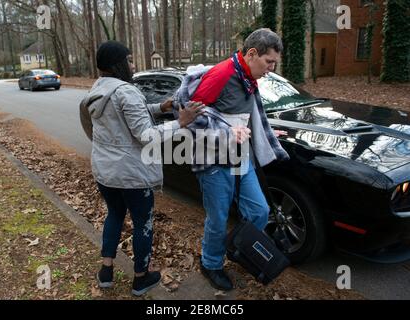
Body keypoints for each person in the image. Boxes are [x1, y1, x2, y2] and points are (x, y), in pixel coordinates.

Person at [79, 40, 204, 296]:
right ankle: (141, 278)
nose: (133, 65)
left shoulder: (98, 89)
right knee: (142, 223)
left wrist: (161, 107)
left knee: (114, 215)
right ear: (118, 64)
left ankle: (106, 272)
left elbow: (124, 116)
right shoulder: (127, 91)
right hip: (132, 175)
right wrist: (180, 122)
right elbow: (146, 135)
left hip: (105, 172)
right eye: (130, 60)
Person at [175, 29, 289, 291]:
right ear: (251, 54)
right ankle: (211, 263)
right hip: (213, 162)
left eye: (274, 63)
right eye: (268, 62)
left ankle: (236, 246)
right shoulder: (222, 74)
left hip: (240, 157)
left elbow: (245, 114)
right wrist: (228, 132)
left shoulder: (248, 76)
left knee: (259, 211)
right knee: (218, 218)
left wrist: (265, 129)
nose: (271, 69)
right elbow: (189, 119)